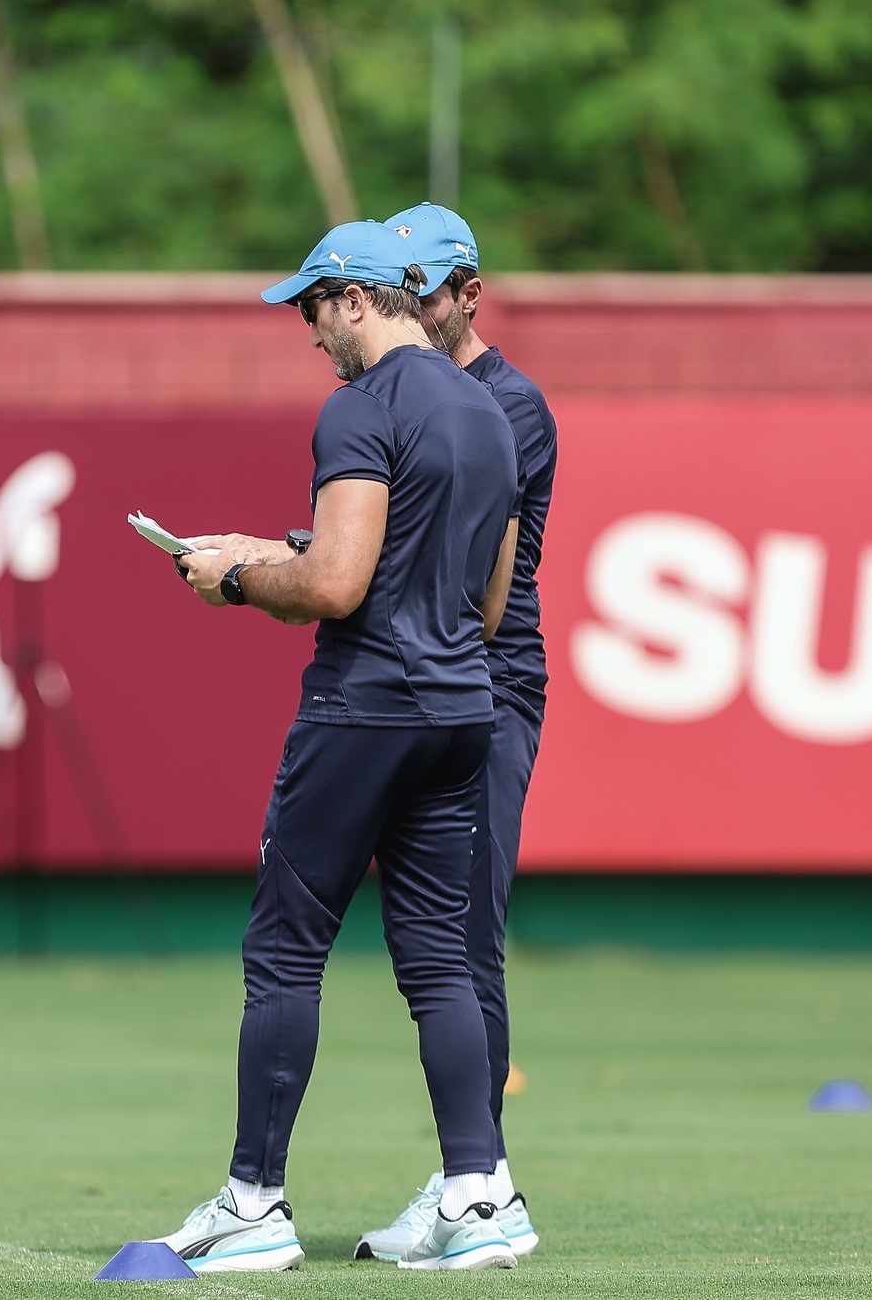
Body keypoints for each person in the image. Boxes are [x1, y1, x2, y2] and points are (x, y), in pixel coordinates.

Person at [147, 220, 523, 1272]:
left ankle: (253, 1205)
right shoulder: (489, 410)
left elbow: (335, 587)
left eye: (310, 308)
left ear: (354, 298)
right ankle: (475, 1193)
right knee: (442, 962)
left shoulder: (361, 407)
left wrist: (232, 576)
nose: (307, 332)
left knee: (283, 952)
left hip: (365, 709)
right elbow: (489, 604)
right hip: (459, 712)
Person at [351, 202, 559, 1263]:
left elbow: (474, 581)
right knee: (428, 938)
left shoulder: (503, 406)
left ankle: (483, 1185)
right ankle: (471, 1178)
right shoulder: (401, 392)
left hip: (484, 684)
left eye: (425, 293)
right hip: (428, 679)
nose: (410, 310)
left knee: (465, 939)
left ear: (467, 294)